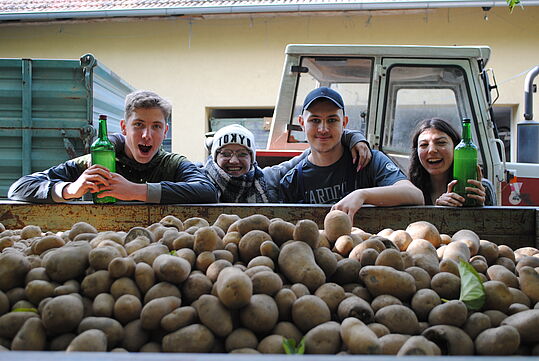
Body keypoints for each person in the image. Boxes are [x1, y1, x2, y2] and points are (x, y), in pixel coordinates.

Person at [8, 90, 218, 204]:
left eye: (156, 126)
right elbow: (18, 188)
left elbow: (207, 192)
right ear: (124, 128)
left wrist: (137, 191)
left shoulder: (173, 164)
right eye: (138, 125)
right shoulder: (96, 162)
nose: (147, 135)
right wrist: (69, 189)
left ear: (165, 131)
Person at [280, 87, 424, 220]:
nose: (323, 129)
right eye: (315, 120)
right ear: (302, 123)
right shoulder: (292, 182)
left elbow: (415, 195)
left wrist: (362, 195)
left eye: (332, 120)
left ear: (344, 123)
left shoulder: (370, 161)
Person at [203, 123, 371, 202]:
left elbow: (310, 153)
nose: (233, 160)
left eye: (242, 154)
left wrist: (351, 137)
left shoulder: (266, 179)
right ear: (214, 156)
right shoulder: (201, 181)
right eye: (225, 153)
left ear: (252, 158)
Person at [409, 118, 496, 206]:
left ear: (456, 147)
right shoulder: (409, 189)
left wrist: (481, 207)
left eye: (441, 142)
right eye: (424, 145)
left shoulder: (480, 188)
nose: (431, 150)